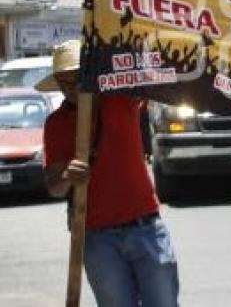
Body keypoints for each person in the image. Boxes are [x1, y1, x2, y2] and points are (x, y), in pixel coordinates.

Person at [39, 40, 180, 306]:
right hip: (97, 236)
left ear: (91, 76)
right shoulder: (56, 124)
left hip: (146, 226)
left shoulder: (120, 100)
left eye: (77, 78)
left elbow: (144, 66)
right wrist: (67, 176)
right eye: (64, 81)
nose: (71, 88)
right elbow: (53, 186)